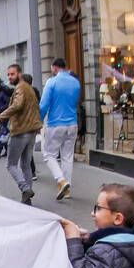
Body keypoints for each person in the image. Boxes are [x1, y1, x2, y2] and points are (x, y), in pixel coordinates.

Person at [0, 63, 43, 204]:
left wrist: (0, 116)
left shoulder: (21, 88)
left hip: (21, 131)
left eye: (13, 74)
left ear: (20, 74)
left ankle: (25, 189)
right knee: (26, 164)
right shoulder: (28, 88)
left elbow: (17, 105)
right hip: (31, 130)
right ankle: (27, 197)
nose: (10, 77)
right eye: (9, 74)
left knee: (11, 164)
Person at [39, 56, 82, 200]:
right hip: (72, 123)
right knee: (67, 157)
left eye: (52, 69)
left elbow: (44, 105)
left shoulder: (52, 82)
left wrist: (39, 120)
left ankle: (61, 181)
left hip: (56, 123)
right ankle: (67, 190)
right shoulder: (76, 82)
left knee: (49, 155)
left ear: (55, 68)